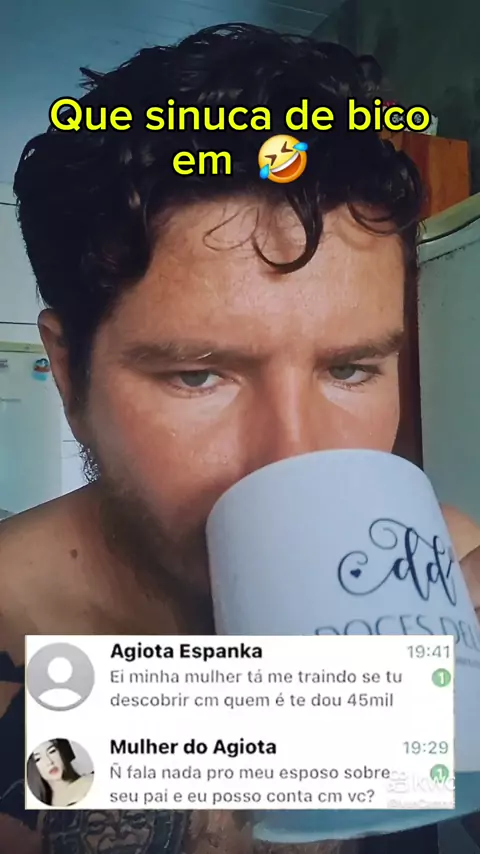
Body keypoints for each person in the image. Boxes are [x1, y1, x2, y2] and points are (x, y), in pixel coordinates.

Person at [0, 21, 479, 854]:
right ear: (70, 376)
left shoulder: (450, 580)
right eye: (198, 375)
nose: (295, 455)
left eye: (351, 368)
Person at [26, 739, 93, 807]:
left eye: (52, 751)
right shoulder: (39, 806)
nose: (49, 762)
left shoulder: (88, 783)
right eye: (38, 759)